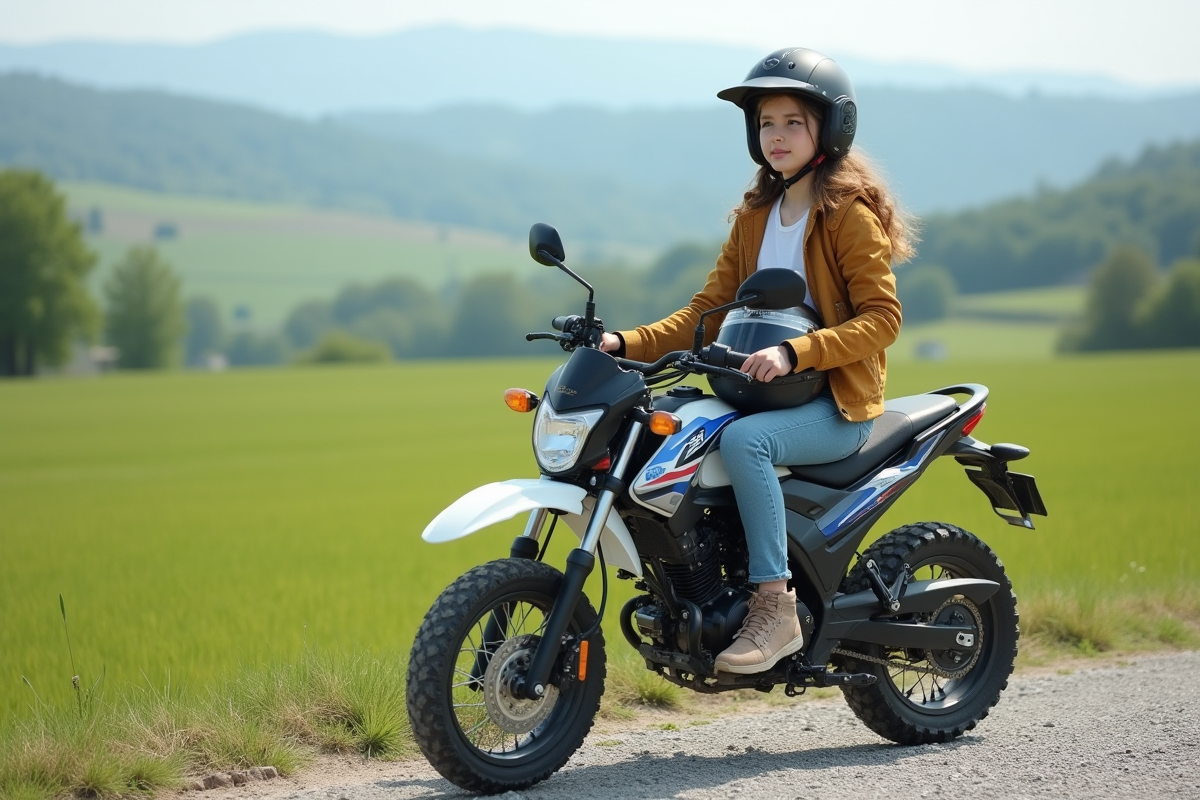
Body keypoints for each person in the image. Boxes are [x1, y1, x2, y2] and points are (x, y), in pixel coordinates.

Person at [599, 47, 916, 674]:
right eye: (767, 122)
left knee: (746, 443)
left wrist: (795, 351)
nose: (777, 135)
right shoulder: (755, 218)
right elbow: (706, 313)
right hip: (759, 392)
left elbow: (883, 319)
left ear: (831, 128)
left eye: (793, 122)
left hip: (835, 405)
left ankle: (775, 606)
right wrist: (623, 343)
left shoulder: (847, 217)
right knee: (669, 423)